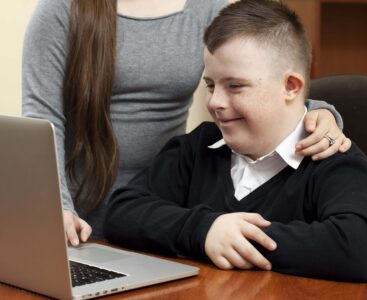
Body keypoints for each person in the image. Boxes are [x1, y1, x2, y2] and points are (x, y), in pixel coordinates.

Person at [104, 0, 367, 282]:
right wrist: (206, 230)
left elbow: (362, 248)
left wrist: (237, 240)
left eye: (235, 86)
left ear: (290, 87)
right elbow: (122, 212)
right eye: (210, 85)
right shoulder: (195, 149)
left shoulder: (333, 160)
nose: (215, 102)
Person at [22, 0, 350, 246]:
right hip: (79, 224)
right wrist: (56, 210)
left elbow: (260, 69)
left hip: (164, 215)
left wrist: (318, 111)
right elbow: (44, 119)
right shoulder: (61, 10)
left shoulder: (206, 8)